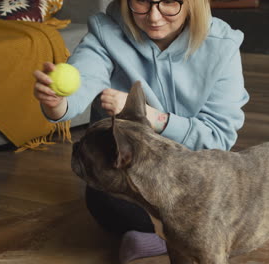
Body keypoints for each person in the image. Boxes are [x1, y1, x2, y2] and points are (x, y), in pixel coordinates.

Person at [33, 0, 249, 262]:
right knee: (105, 197)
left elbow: (218, 138)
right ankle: (175, 235)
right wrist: (57, 104)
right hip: (135, 173)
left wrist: (148, 115)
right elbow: (84, 79)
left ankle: (160, 236)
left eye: (169, 3)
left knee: (221, 199)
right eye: (141, 2)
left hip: (193, 171)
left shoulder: (222, 45)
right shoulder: (107, 31)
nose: (154, 17)